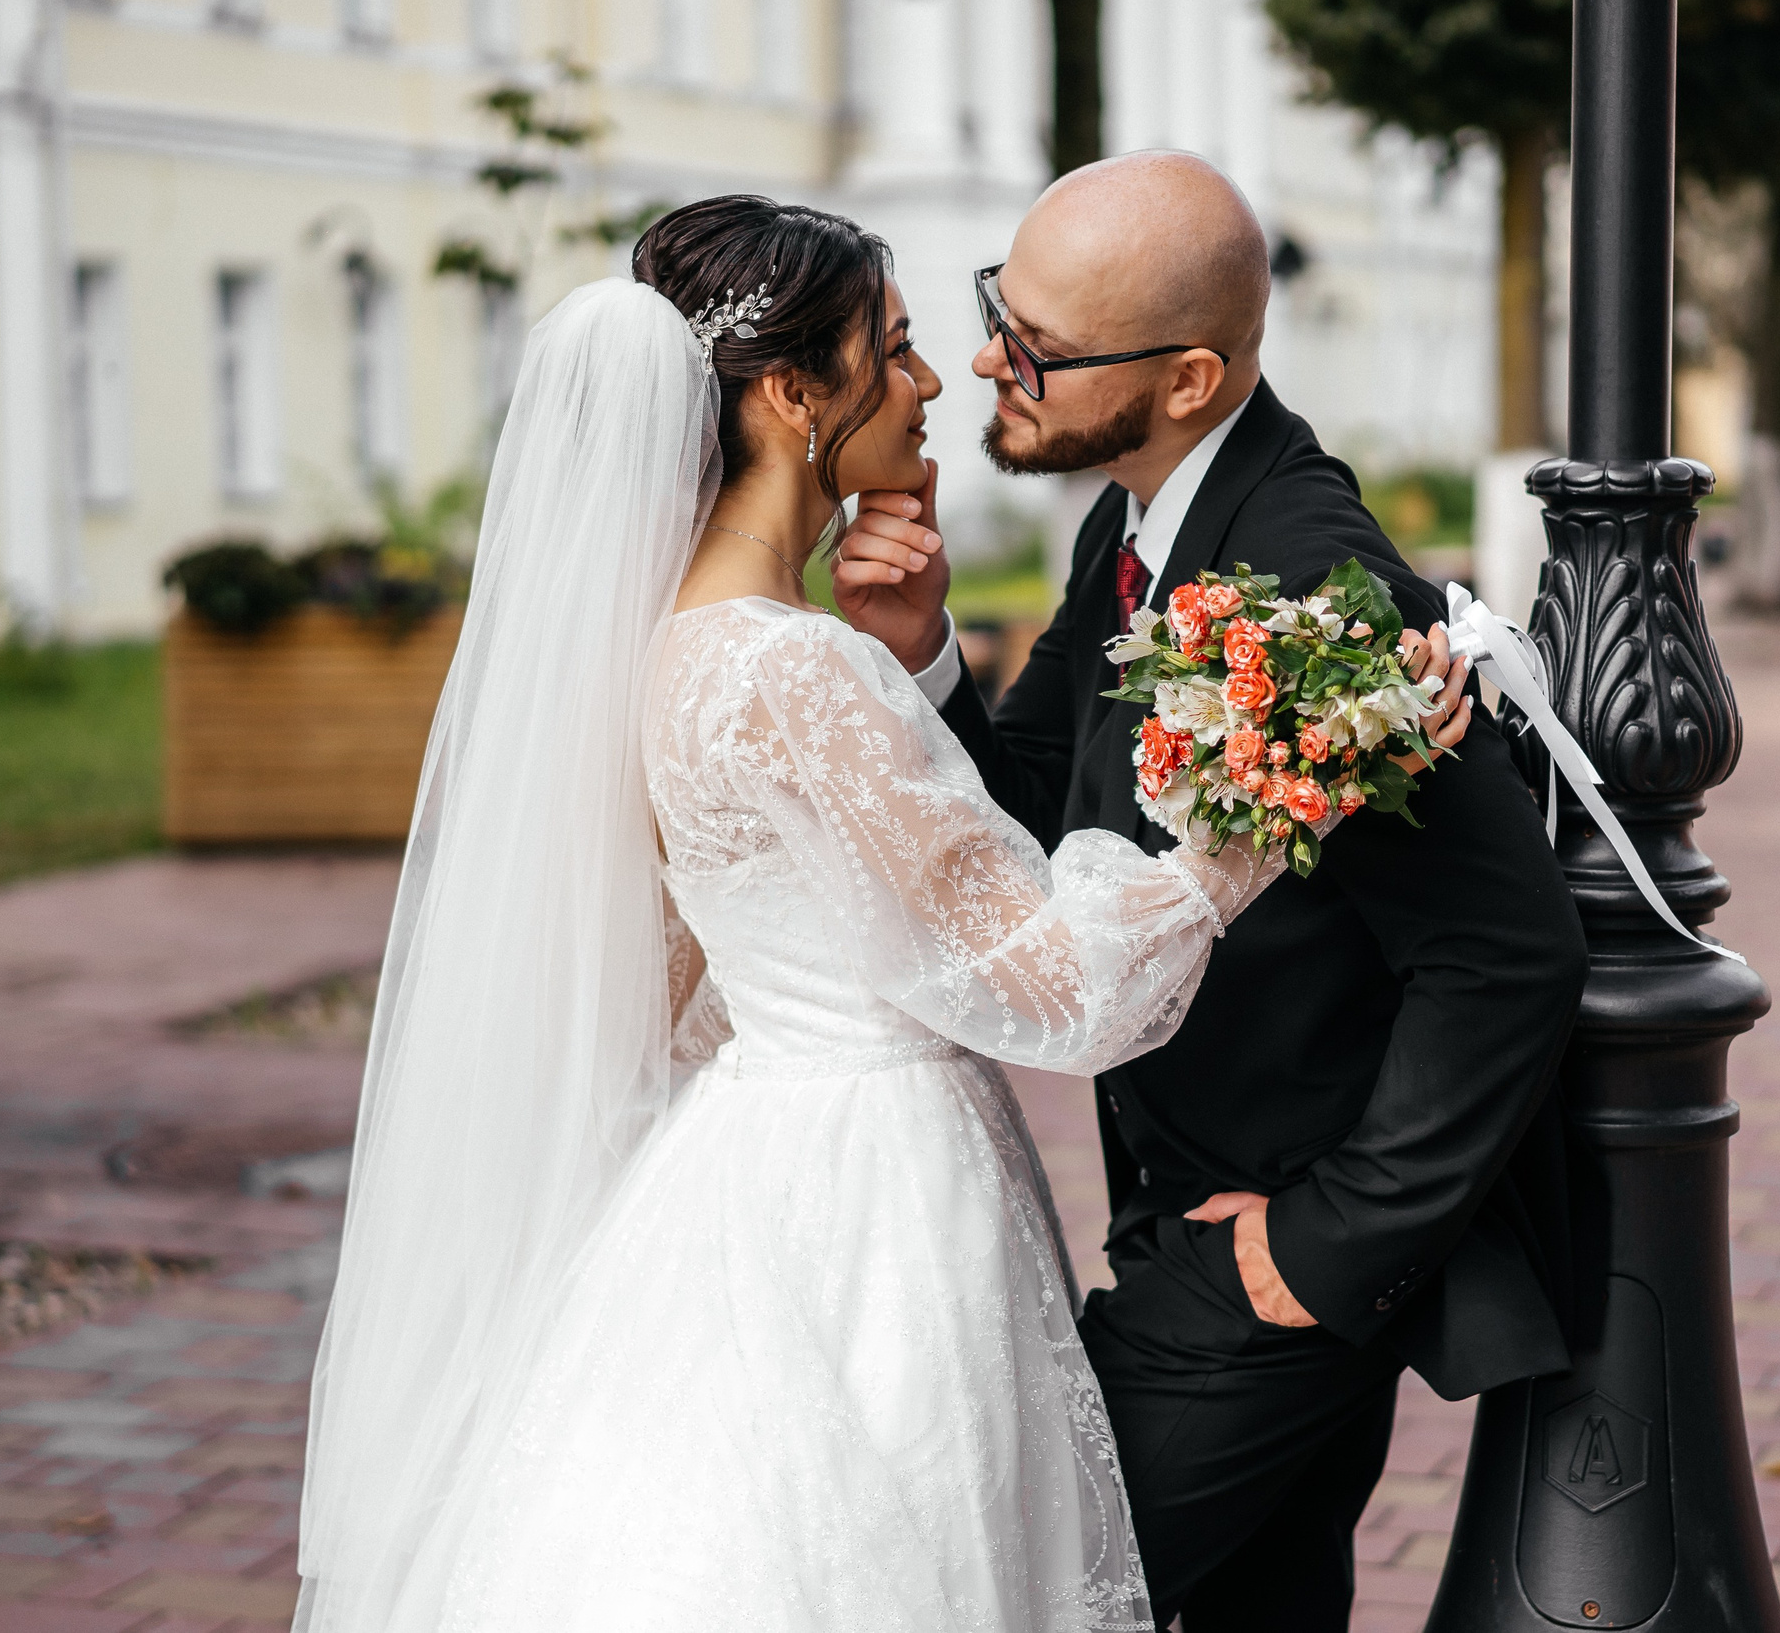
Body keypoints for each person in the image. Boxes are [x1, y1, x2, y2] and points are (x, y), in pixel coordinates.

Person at [291, 197, 1471, 1633]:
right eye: (897, 349)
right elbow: (1065, 991)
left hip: (744, 1161)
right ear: (795, 397)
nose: (931, 383)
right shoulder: (795, 674)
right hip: (874, 1201)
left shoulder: (665, 656)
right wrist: (1281, 789)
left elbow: (690, 983)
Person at [836, 153, 1591, 1633]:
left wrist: (1320, 1252)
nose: (993, 357)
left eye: (1037, 344)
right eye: (1003, 306)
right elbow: (1033, 815)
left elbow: (1509, 952)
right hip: (1174, 1217)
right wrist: (926, 654)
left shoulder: (1307, 586)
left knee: (1035, 1594)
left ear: (1186, 376)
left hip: (1265, 1261)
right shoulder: (1133, 526)